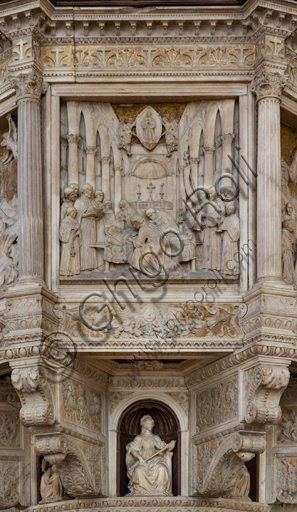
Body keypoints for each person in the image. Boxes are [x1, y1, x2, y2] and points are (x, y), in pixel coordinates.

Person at [126, 415, 175, 496]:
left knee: (162, 468)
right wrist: (140, 459)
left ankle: (161, 491)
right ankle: (141, 492)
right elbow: (132, 450)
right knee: (138, 470)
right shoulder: (139, 438)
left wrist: (170, 446)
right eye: (149, 424)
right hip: (143, 462)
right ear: (144, 425)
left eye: (152, 424)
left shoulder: (155, 437)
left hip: (155, 461)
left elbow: (164, 449)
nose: (151, 426)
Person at [74, 184, 102, 271]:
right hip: (84, 224)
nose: (90, 192)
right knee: (85, 244)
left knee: (92, 244)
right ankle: (84, 267)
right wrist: (87, 214)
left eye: (91, 190)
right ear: (84, 191)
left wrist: (97, 214)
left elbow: (98, 212)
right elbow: (76, 214)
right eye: (89, 190)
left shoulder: (92, 201)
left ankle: (93, 266)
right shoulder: (79, 201)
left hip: (92, 224)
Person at [201, 187, 224, 271]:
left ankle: (215, 266)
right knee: (206, 246)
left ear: (215, 194)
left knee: (215, 247)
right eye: (209, 194)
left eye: (211, 193)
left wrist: (211, 217)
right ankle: (206, 266)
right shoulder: (208, 204)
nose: (209, 195)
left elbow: (221, 216)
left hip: (215, 230)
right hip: (207, 229)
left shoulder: (219, 204)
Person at [60, 207, 81, 276]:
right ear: (69, 212)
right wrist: (71, 228)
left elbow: (78, 229)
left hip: (75, 239)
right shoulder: (65, 221)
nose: (74, 214)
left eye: (75, 212)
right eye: (73, 212)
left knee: (75, 253)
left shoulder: (75, 221)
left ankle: (75, 269)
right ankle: (66, 270)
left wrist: (77, 232)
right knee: (67, 253)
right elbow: (62, 230)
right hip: (68, 239)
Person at [220, 204, 240, 276]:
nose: (228, 211)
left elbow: (236, 229)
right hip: (226, 237)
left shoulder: (235, 219)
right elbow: (222, 227)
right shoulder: (226, 219)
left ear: (233, 210)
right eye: (227, 209)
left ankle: (233, 269)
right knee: (226, 252)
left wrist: (228, 228)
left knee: (231, 252)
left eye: (229, 209)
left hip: (231, 239)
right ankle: (225, 269)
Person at [282, 219, 296, 285]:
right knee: (287, 265)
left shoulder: (289, 235)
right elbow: (282, 244)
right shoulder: (284, 234)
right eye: (292, 225)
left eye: (295, 225)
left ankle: (289, 278)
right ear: (287, 226)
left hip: (289, 252)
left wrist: (293, 243)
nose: (294, 227)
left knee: (289, 265)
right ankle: (287, 278)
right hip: (286, 252)